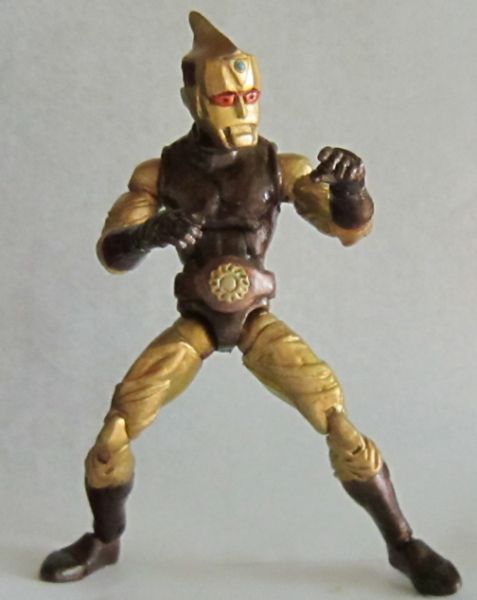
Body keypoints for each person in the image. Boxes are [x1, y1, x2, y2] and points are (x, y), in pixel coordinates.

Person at [40, 12, 461, 596]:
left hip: (256, 320)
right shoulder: (160, 173)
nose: (240, 109)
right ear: (194, 100)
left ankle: (403, 542)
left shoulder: (276, 167)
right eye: (225, 97)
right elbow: (113, 253)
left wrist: (352, 189)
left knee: (338, 422)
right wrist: (151, 233)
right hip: (197, 321)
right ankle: (104, 539)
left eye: (249, 96)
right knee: (115, 432)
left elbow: (346, 228)